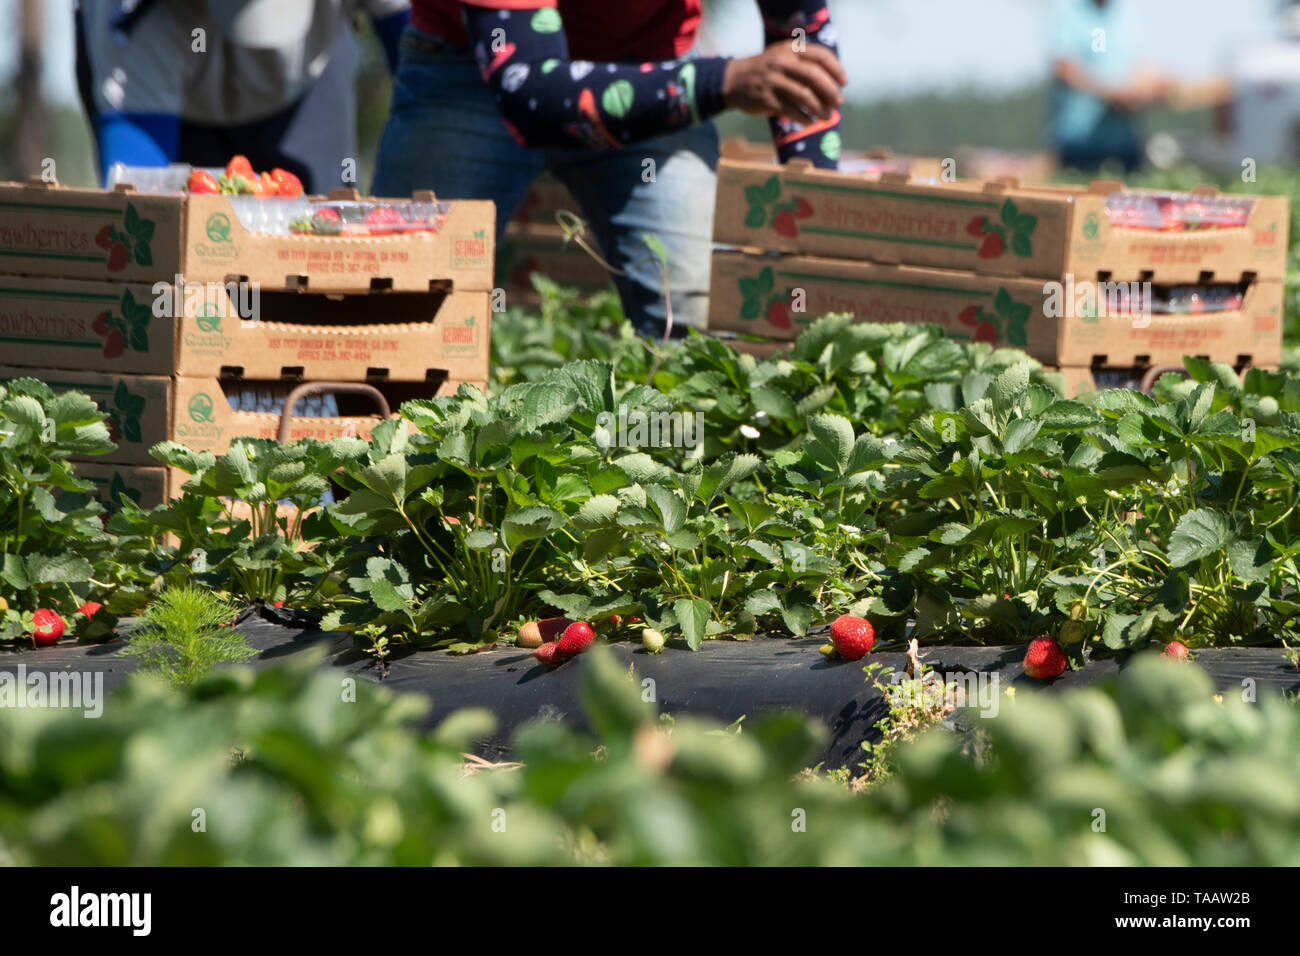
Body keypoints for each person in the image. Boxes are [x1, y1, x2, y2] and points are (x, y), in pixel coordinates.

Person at [372, 0, 846, 337]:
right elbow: (532, 92)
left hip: (653, 65)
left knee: (699, 332)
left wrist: (815, 225)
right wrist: (722, 81)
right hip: (470, 69)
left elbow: (801, 39)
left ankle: (676, 470)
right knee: (397, 318)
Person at [75, 0, 410, 193]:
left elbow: (419, 61)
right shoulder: (124, 11)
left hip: (312, 79)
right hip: (175, 103)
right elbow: (138, 188)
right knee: (184, 283)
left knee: (321, 261)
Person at [1048, 0, 1171, 174]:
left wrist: (1151, 87)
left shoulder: (1126, 13)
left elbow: (1141, 64)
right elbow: (1063, 67)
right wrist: (1109, 94)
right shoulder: (1068, 12)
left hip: (1125, 144)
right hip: (1081, 145)